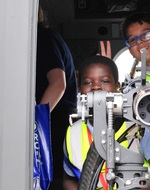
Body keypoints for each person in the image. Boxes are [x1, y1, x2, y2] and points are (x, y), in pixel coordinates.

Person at [63, 55, 150, 190]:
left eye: (104, 81)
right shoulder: (72, 132)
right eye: (88, 82)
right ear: (80, 89)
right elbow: (69, 179)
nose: (96, 87)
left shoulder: (139, 126)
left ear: (117, 87)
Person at [36, 5, 78, 189]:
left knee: (51, 181)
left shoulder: (45, 38)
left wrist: (35, 124)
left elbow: (58, 84)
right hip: (55, 119)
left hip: (53, 121)